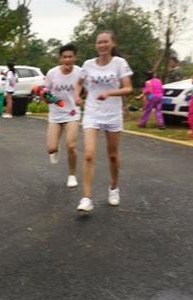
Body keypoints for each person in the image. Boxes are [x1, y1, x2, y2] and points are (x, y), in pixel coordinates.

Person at [74, 31, 133, 213]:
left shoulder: (119, 63)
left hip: (112, 114)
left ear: (112, 44)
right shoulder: (88, 64)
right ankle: (86, 198)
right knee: (89, 154)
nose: (102, 45)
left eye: (105, 42)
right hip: (92, 113)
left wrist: (109, 93)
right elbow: (79, 83)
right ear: (95, 45)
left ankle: (114, 187)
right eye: (99, 42)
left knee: (113, 155)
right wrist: (77, 95)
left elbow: (128, 88)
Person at [44, 44, 82, 188]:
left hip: (72, 113)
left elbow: (87, 89)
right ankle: (55, 149)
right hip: (55, 114)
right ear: (60, 59)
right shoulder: (52, 73)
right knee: (51, 148)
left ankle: (72, 175)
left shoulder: (80, 72)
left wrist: (81, 98)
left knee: (71, 145)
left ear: (75, 57)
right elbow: (45, 93)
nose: (67, 60)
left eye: (70, 57)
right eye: (64, 57)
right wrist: (49, 98)